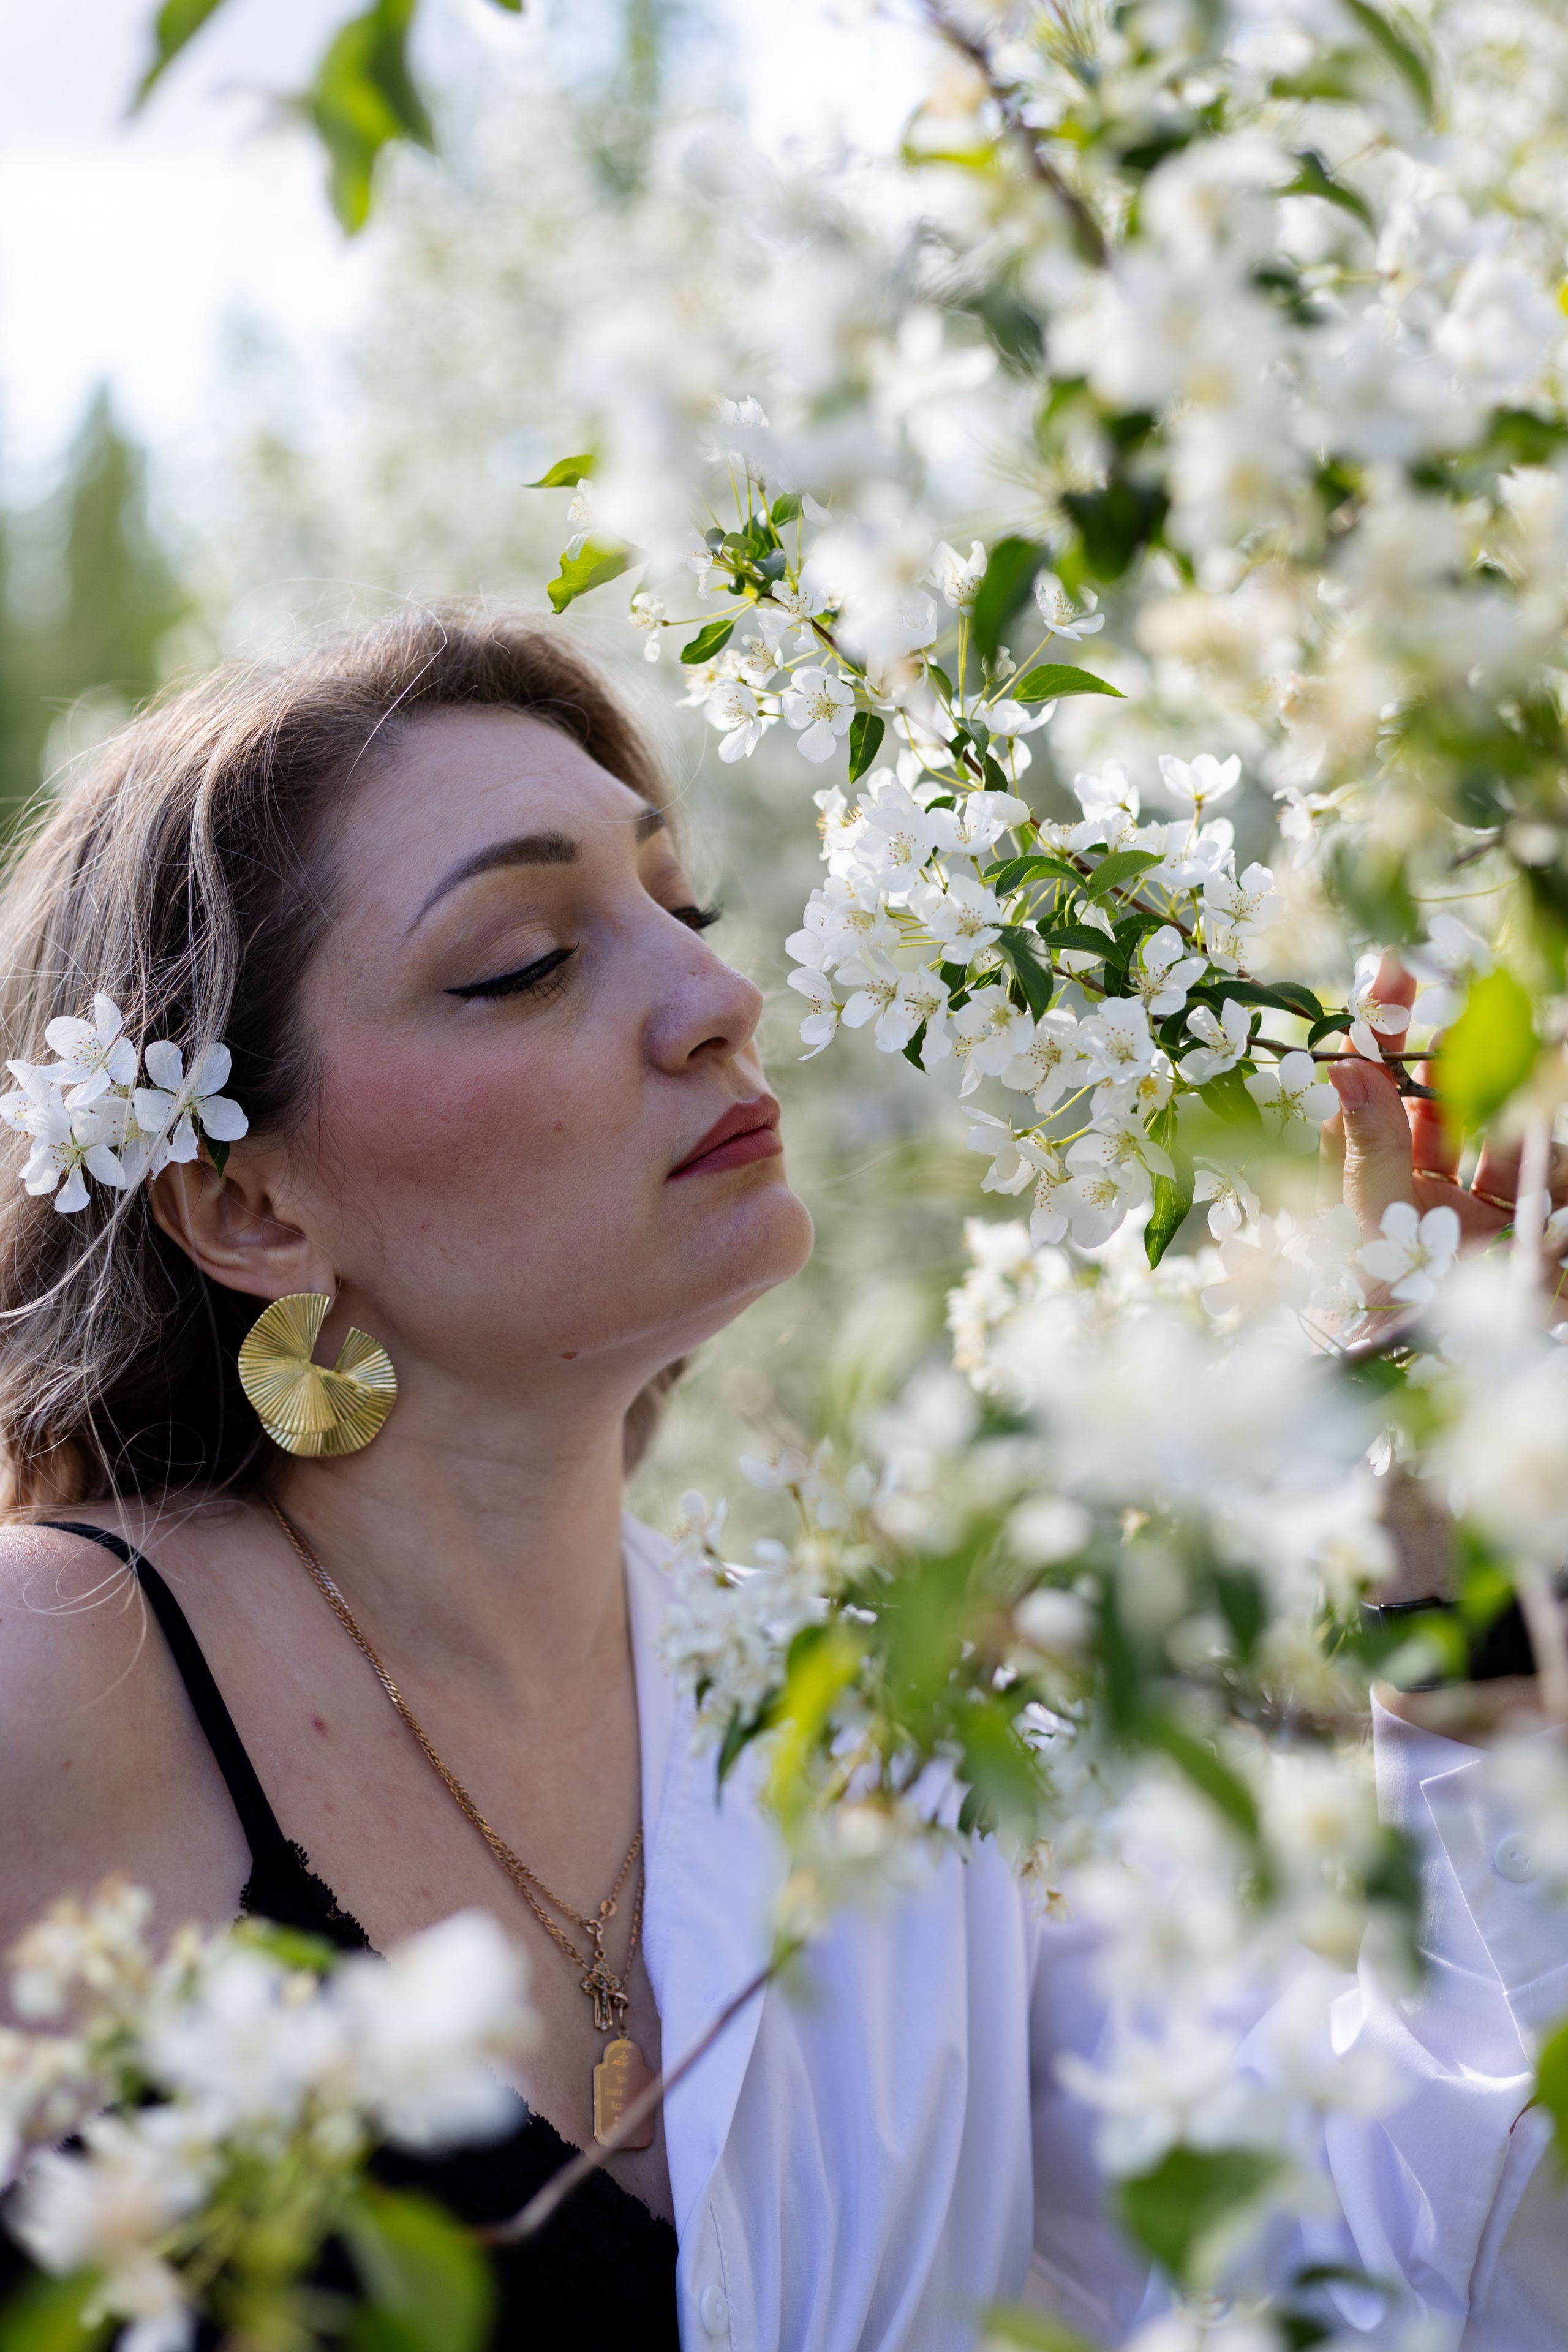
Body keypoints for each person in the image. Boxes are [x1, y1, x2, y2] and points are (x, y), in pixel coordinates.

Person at [0, 611, 1561, 2350]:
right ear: (250, 1207)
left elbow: (1423, 2272)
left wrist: (1446, 1512)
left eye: (684, 911)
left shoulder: (887, 1747)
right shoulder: (57, 1683)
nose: (720, 1000)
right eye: (526, 960)